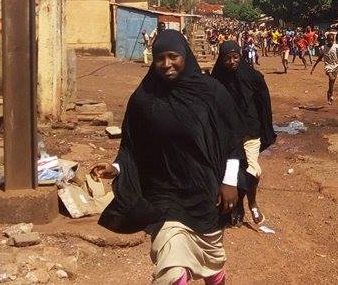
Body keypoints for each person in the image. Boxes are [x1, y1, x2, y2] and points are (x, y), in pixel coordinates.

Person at [93, 30, 245, 285]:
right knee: (172, 271)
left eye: (173, 56)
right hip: (163, 194)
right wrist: (116, 167)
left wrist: (230, 180)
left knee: (212, 262)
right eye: (159, 58)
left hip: (203, 191)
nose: (166, 64)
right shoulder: (144, 98)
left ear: (185, 55)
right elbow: (132, 144)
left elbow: (232, 140)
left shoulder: (211, 93)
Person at [211, 42, 277, 227]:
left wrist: (265, 127)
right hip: (229, 134)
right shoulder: (216, 79)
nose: (232, 62)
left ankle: (250, 202)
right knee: (233, 168)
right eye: (227, 58)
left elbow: (264, 103)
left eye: (235, 57)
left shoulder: (253, 77)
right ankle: (236, 204)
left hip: (250, 130)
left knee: (252, 169)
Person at [311, 33, 338, 106]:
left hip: (335, 66)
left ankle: (330, 93)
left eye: (332, 40)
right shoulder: (323, 48)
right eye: (329, 40)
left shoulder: (336, 47)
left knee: (332, 83)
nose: (331, 42)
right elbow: (320, 57)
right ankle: (330, 94)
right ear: (327, 40)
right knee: (331, 78)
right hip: (328, 66)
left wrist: (337, 59)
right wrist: (314, 67)